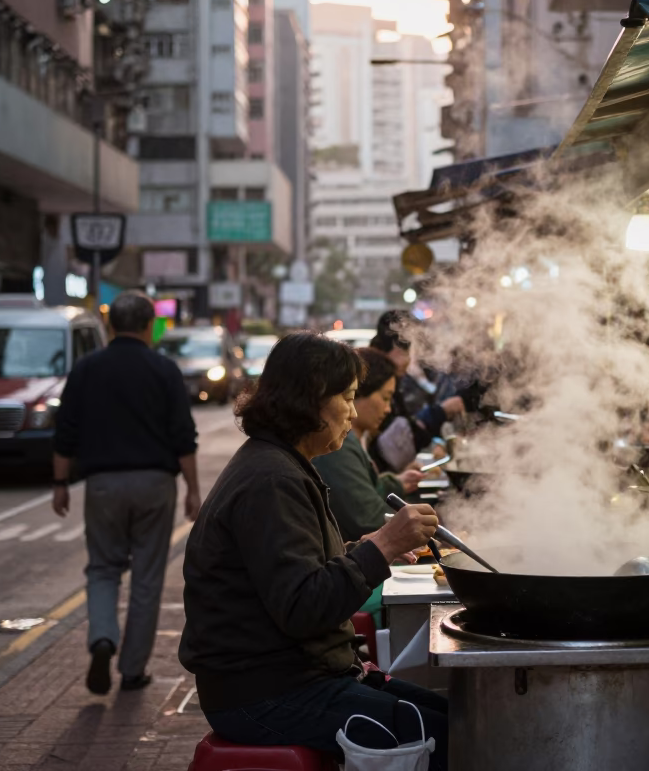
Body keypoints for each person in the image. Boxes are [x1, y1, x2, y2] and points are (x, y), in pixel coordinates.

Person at [179, 332, 448, 767]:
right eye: (346, 396)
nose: (353, 412)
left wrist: (360, 550)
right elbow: (303, 607)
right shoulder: (272, 479)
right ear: (310, 400)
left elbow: (290, 571)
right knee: (444, 736)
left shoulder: (281, 464)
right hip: (263, 692)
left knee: (454, 716)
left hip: (297, 676)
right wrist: (380, 547)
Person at [52, 291, 200, 695]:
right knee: (147, 579)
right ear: (150, 326)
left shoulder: (86, 369)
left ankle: (102, 637)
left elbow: (65, 431)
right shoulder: (164, 370)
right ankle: (132, 670)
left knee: (102, 568)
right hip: (155, 483)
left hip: (102, 484)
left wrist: (61, 483)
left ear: (111, 326)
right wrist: (193, 489)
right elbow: (183, 436)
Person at [314, 348, 424, 543]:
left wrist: (396, 484)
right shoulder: (338, 446)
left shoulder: (351, 440)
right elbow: (367, 519)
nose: (388, 408)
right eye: (385, 397)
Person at [370, 311, 464, 472]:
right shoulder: (374, 381)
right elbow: (389, 439)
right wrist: (439, 413)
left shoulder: (393, 378)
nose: (410, 360)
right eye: (407, 352)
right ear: (396, 346)